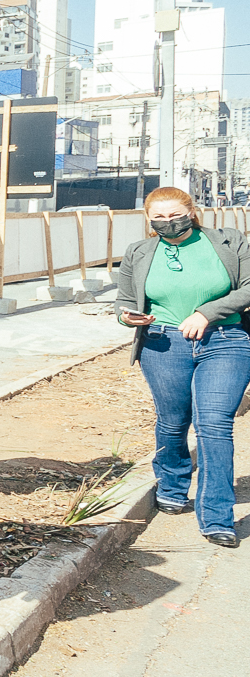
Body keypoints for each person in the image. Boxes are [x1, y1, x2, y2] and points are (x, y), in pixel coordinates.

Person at [114, 187, 250, 548]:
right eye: (158, 218)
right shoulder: (140, 252)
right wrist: (128, 317)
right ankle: (173, 485)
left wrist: (207, 313)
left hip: (225, 341)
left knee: (215, 424)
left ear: (192, 211)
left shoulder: (228, 241)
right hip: (162, 343)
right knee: (173, 421)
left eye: (175, 215)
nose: (167, 223)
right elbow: (125, 299)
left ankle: (217, 516)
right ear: (148, 220)